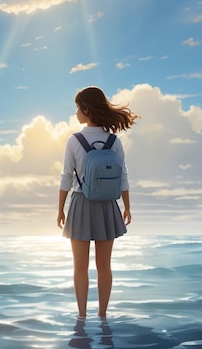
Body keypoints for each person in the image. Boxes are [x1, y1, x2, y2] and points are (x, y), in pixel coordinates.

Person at [57, 86, 139, 320]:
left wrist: (60, 209)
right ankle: (103, 315)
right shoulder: (114, 141)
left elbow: (66, 177)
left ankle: (82, 316)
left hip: (80, 204)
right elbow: (123, 175)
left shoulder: (74, 141)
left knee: (80, 267)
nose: (75, 113)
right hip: (107, 205)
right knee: (105, 266)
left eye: (77, 107)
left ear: (86, 108)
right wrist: (127, 206)